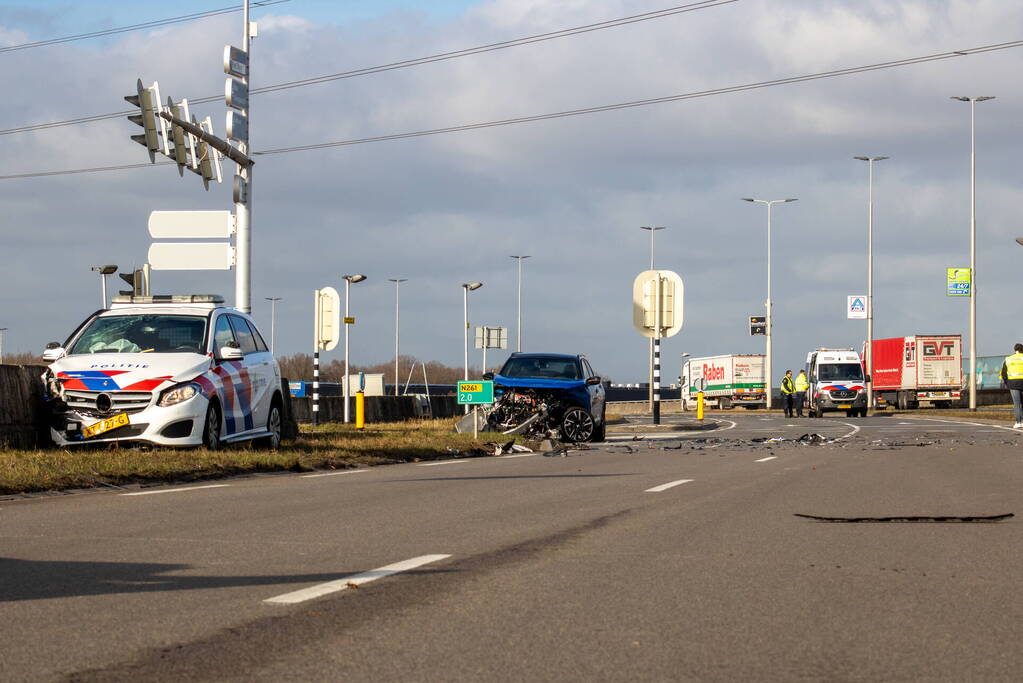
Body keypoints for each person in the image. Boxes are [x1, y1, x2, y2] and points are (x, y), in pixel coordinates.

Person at [1000, 343, 1023, 429]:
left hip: (1013, 384)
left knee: (1017, 404)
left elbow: (1003, 373)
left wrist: (1007, 383)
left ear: (1015, 350)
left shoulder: (1008, 359)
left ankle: (1018, 422)